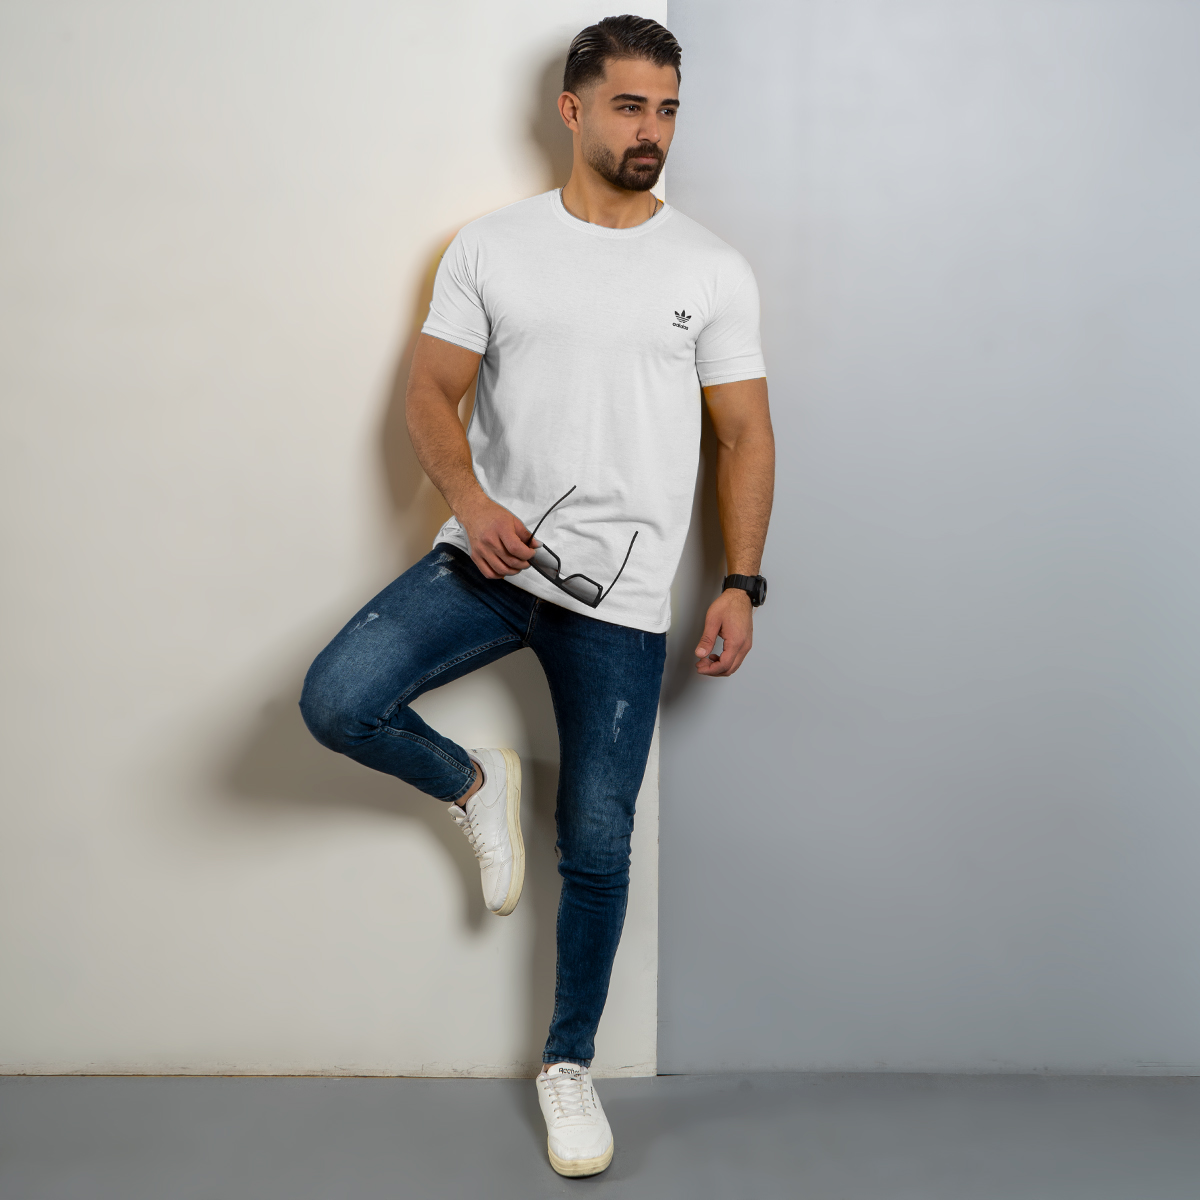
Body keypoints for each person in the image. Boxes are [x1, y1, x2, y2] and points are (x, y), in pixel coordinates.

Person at [299, 14, 773, 1178]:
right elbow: (429, 391)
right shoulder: (493, 246)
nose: (651, 130)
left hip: (620, 599)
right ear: (572, 110)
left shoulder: (711, 268)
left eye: (667, 109)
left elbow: (745, 434)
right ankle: (473, 783)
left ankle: (567, 1065)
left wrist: (742, 582)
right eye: (629, 106)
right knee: (337, 700)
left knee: (597, 845)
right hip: (489, 560)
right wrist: (470, 498)